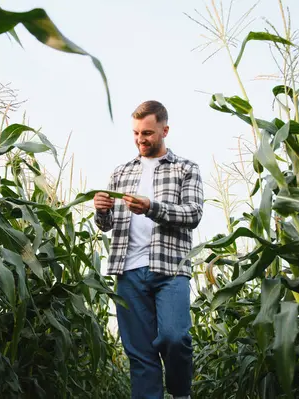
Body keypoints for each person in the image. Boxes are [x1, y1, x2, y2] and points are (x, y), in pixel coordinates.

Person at [93, 100, 204, 399]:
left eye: (148, 133)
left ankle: (181, 393)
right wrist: (102, 210)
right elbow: (106, 225)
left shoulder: (186, 169)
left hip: (170, 270)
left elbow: (193, 214)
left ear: (164, 130)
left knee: (175, 337)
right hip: (128, 271)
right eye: (136, 133)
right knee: (141, 357)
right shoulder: (121, 172)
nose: (141, 139)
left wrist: (152, 208)